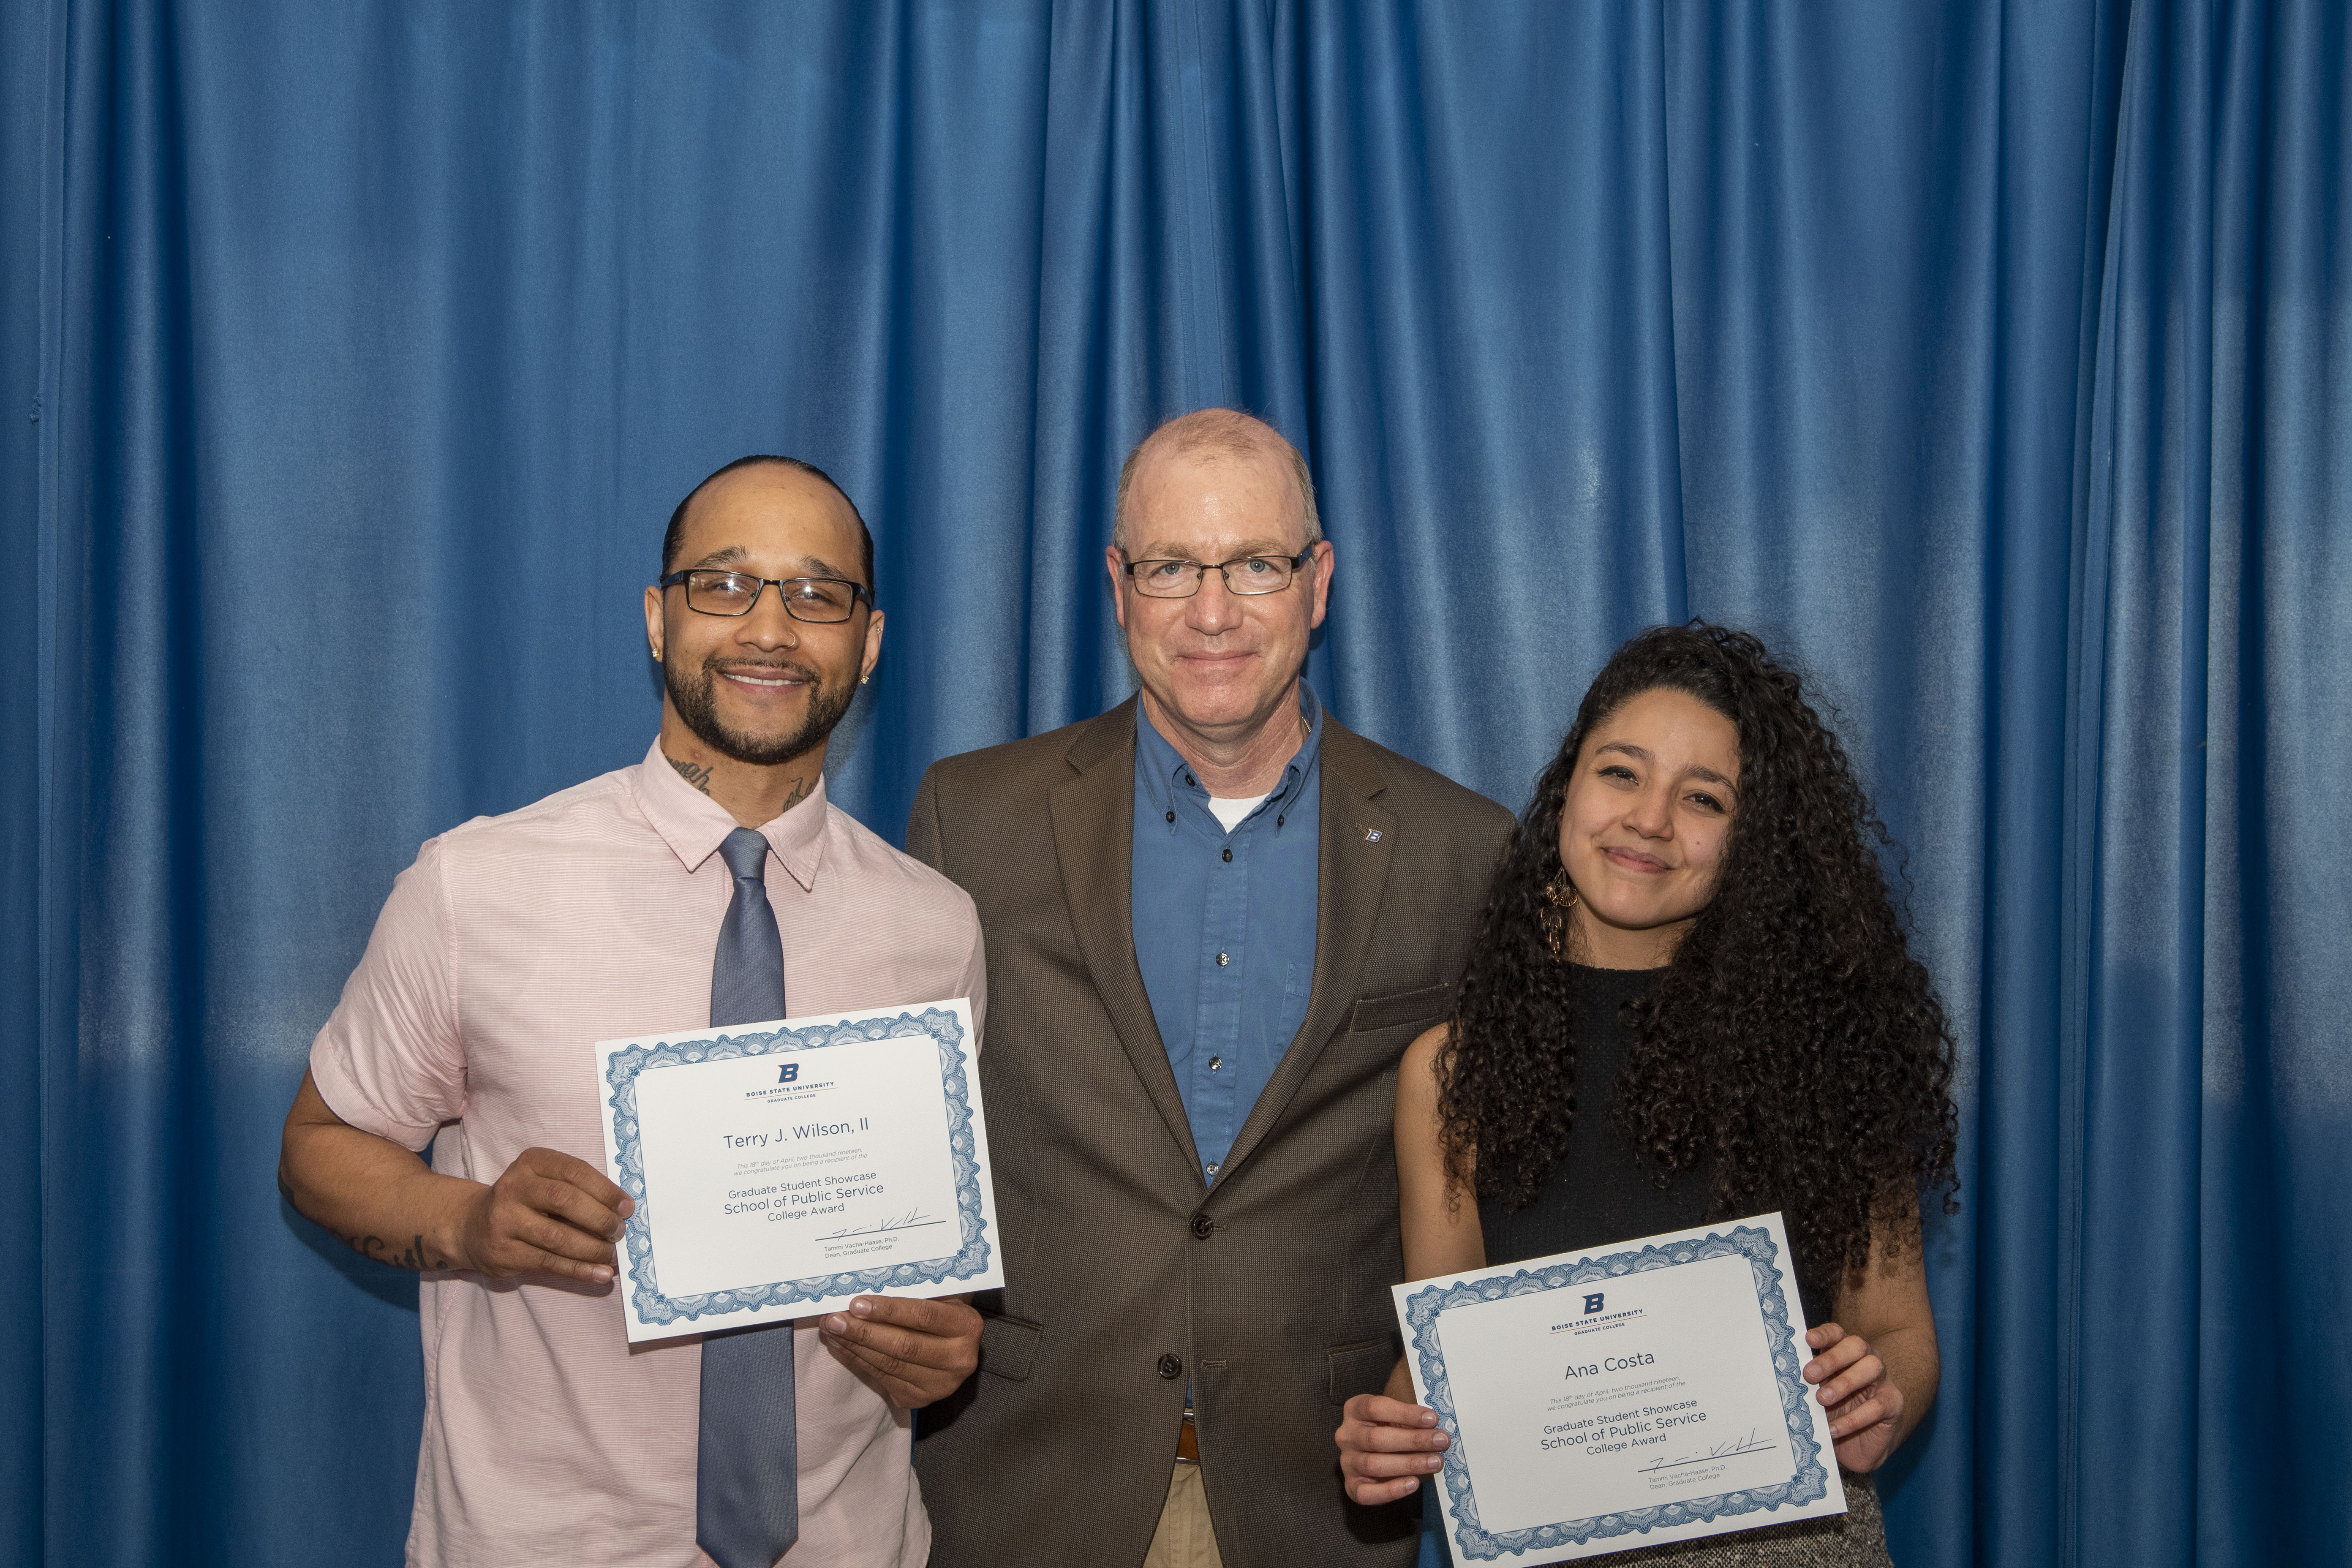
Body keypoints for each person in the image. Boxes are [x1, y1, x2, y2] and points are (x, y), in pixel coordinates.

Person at [278, 455, 988, 1568]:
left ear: (870, 641)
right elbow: (319, 1146)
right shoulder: (477, 887)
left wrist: (947, 1349)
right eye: (725, 584)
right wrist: (467, 1225)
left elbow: (923, 1267)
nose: (769, 627)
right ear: (660, 622)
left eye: (817, 594)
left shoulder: (936, 929)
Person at [905, 409, 1515, 1568]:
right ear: (1119, 585)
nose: (1215, 611)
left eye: (1257, 566)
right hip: (1025, 1484)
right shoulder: (971, 820)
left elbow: (1498, 1183)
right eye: (1173, 566)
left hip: (1313, 1498)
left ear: (1319, 582)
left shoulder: (1462, 851)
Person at [1336, 623, 1960, 1566]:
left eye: (1703, 796)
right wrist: (1394, 1434)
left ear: (1754, 839)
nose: (1649, 820)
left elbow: (1900, 1327)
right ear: (1566, 789)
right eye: (1621, 772)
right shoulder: (1451, 1070)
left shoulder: (1832, 1050)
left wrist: (1886, 1395)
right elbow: (1446, 1348)